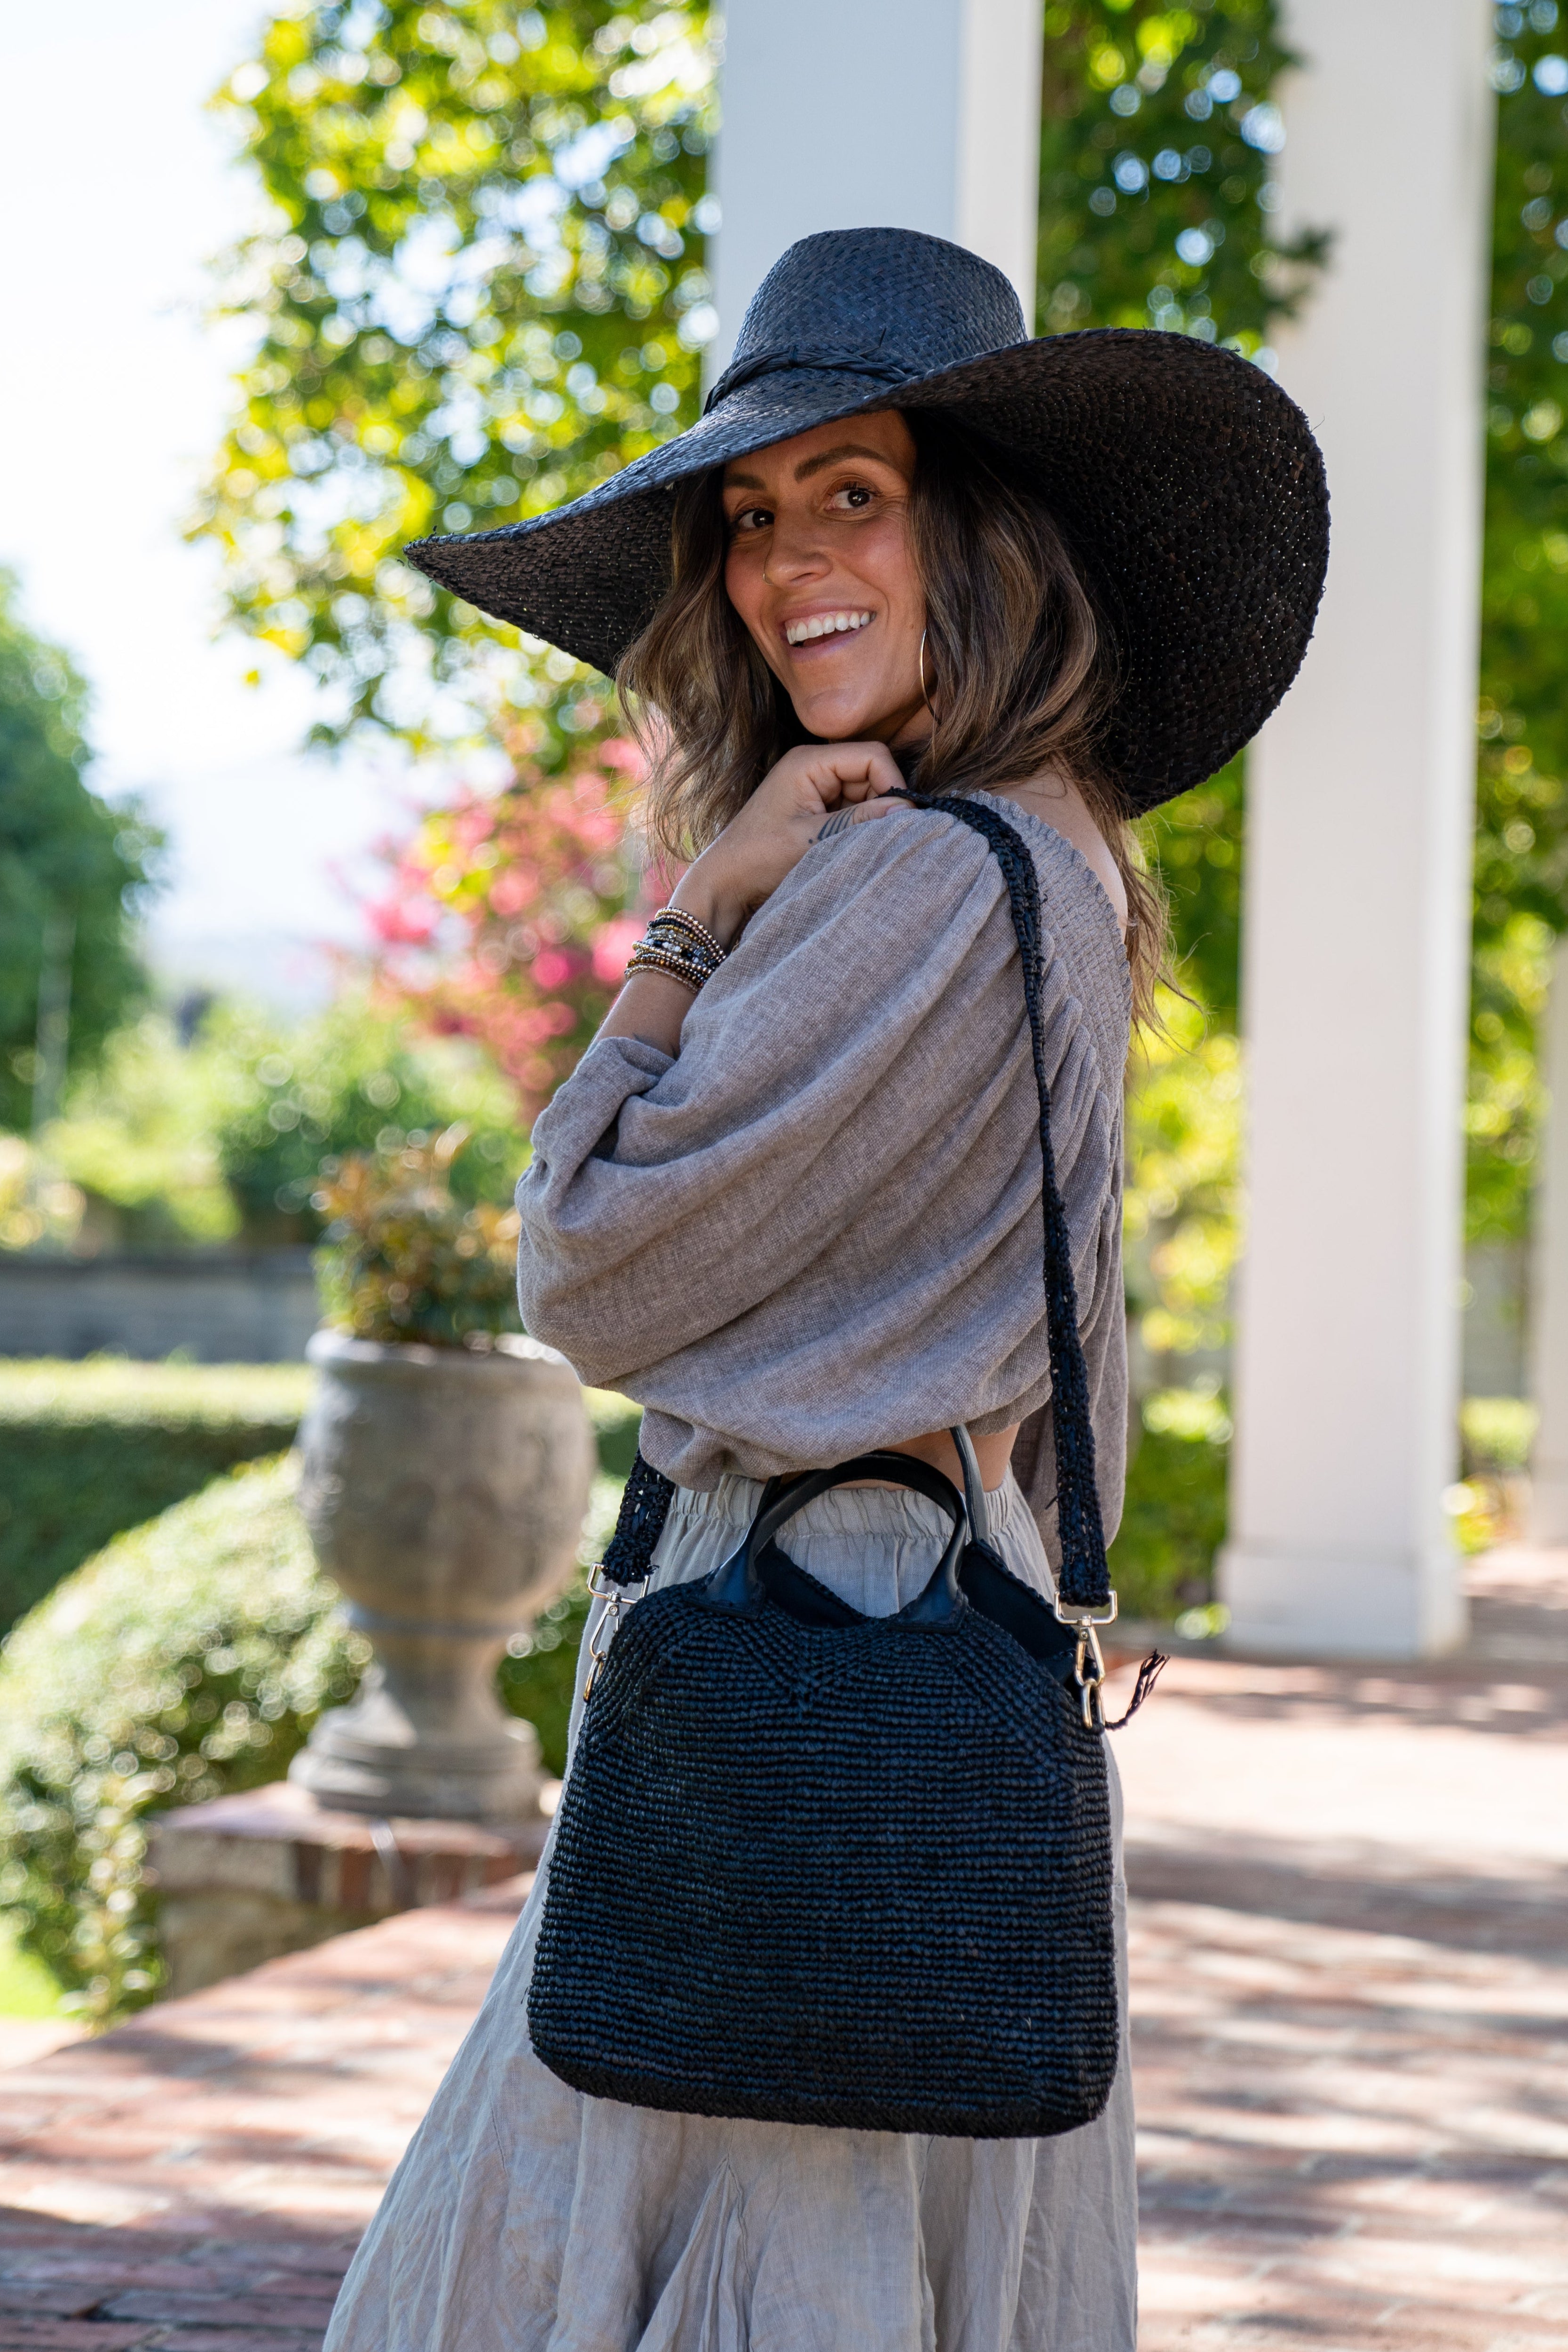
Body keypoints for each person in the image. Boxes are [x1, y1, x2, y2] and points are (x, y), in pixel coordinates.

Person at [323, 228, 1327, 2352]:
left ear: (975, 534)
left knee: (677, 2226)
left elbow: (581, 1270)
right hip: (936, 1623)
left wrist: (690, 916)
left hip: (796, 1649)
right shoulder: (1045, 849)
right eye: (754, 517)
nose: (786, 567)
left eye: (850, 493)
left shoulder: (899, 880)